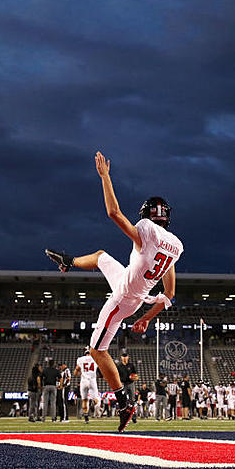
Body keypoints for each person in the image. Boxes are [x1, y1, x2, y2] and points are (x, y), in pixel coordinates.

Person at [44, 151, 182, 433]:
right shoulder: (175, 247)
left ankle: (123, 401)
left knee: (96, 349)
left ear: (147, 216)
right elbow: (169, 294)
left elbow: (114, 213)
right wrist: (147, 318)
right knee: (101, 256)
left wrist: (105, 177)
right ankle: (69, 262)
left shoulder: (146, 232)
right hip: (133, 289)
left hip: (124, 297)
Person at [75, 348, 100, 423]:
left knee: (84, 400)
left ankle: (86, 416)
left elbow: (76, 371)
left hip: (84, 381)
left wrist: (79, 372)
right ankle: (93, 402)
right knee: (96, 399)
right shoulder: (95, 358)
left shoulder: (81, 359)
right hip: (92, 380)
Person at [116, 351, 138, 423]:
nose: (124, 358)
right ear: (121, 357)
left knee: (132, 400)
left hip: (131, 383)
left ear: (128, 357)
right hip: (123, 384)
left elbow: (136, 375)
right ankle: (124, 416)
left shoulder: (131, 365)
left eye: (126, 356)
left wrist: (134, 377)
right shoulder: (119, 366)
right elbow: (116, 376)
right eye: (123, 356)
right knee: (123, 401)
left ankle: (133, 416)